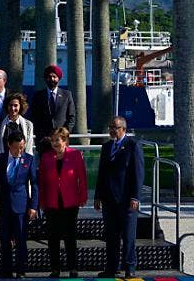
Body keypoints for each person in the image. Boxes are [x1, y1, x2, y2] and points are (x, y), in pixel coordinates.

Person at [95, 116, 143, 278]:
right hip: (109, 199)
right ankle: (112, 267)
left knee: (128, 236)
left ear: (123, 129)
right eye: (110, 127)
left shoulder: (132, 146)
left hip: (126, 199)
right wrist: (98, 196)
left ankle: (130, 266)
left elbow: (138, 173)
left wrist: (135, 197)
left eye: (115, 127)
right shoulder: (107, 147)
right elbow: (102, 173)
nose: (112, 130)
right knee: (111, 235)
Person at [0, 129, 39, 279]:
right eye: (17, 147)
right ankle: (6, 270)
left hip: (21, 206)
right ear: (9, 145)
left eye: (22, 146)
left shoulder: (29, 159)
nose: (20, 150)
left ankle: (21, 270)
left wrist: (33, 206)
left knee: (21, 239)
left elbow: (35, 184)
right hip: (4, 205)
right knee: (4, 239)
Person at [39, 127, 87, 278]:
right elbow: (41, 181)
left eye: (57, 140)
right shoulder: (46, 157)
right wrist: (41, 201)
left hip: (70, 202)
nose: (54, 143)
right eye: (52, 140)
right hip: (52, 202)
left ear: (65, 140)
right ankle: (55, 269)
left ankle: (73, 267)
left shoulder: (75, 155)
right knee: (53, 237)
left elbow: (82, 178)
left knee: (70, 236)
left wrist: (83, 197)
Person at [28, 65, 75, 153]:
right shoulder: (38, 96)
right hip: (44, 141)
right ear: (46, 79)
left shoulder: (67, 95)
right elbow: (34, 117)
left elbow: (71, 117)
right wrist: (41, 136)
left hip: (61, 141)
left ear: (58, 79)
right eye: (49, 77)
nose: (52, 79)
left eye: (54, 77)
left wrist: (64, 134)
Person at [0, 92, 34, 157]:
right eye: (10, 105)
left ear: (21, 106)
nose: (13, 108)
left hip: (22, 162)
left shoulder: (28, 125)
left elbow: (29, 147)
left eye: (15, 105)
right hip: (4, 161)